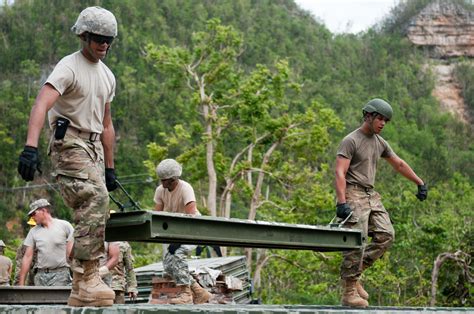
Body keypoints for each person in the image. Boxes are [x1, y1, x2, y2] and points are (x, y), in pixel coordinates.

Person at [16, 6, 119, 307]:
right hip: (69, 143)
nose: (104, 45)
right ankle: (87, 277)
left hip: (94, 148)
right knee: (94, 198)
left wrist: (110, 168)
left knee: (99, 205)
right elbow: (41, 104)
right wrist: (30, 147)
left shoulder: (108, 76)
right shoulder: (69, 66)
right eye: (98, 38)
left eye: (109, 40)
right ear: (84, 36)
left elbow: (107, 124)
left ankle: (80, 287)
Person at [334, 98, 428, 308]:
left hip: (371, 194)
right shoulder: (351, 140)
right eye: (380, 118)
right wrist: (341, 203)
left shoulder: (379, 142)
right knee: (355, 240)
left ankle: (355, 276)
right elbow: (340, 171)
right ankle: (349, 292)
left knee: (386, 235)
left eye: (386, 120)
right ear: (368, 116)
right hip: (353, 193)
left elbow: (399, 164)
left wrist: (419, 183)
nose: (383, 123)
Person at [153, 158, 212, 304]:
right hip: (173, 231)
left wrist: (179, 241)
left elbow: (191, 217)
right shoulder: (160, 190)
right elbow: (157, 215)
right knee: (168, 264)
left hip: (193, 229)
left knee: (178, 254)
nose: (162, 183)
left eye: (164, 180)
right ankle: (199, 291)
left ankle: (186, 294)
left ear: (173, 179)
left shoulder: (186, 188)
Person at [18, 199, 74, 287]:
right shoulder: (33, 231)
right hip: (40, 276)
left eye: (34, 214)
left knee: (56, 300)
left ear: (43, 211)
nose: (32, 217)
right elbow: (27, 257)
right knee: (40, 300)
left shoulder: (65, 226)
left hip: (61, 274)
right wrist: (21, 284)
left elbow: (72, 253)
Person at [13, 217, 38, 286]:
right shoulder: (24, 244)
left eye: (34, 226)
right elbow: (19, 267)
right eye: (31, 226)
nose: (32, 228)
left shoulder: (42, 242)